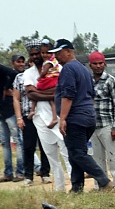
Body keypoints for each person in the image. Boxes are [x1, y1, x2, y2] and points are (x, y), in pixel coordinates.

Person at [50, 39, 112, 193]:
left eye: (59, 53)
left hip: (75, 117)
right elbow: (90, 93)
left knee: (77, 153)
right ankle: (77, 188)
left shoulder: (68, 69)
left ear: (69, 51)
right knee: (75, 152)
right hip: (88, 116)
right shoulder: (83, 69)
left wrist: (63, 118)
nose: (56, 56)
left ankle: (104, 181)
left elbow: (68, 95)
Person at [23, 40, 71, 192]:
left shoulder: (58, 67)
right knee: (50, 154)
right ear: (30, 56)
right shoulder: (28, 73)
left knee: (66, 151)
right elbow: (30, 93)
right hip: (40, 118)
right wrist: (50, 93)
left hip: (59, 116)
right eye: (33, 54)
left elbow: (60, 90)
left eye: (39, 53)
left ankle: (76, 185)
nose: (37, 56)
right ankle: (60, 187)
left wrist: (41, 93)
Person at [88, 51, 115, 192]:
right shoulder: (88, 81)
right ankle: (101, 185)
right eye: (95, 64)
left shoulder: (111, 81)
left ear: (105, 64)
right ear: (90, 65)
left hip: (107, 124)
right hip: (93, 126)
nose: (98, 66)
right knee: (96, 158)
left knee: (114, 156)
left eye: (100, 63)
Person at [12, 51, 51, 186]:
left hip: (44, 114)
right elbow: (16, 99)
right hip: (27, 116)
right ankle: (28, 176)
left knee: (45, 145)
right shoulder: (20, 77)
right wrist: (18, 118)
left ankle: (45, 174)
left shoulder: (47, 74)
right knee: (28, 147)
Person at [0, 56, 26, 182]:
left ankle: (20, 172)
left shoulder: (3, 69)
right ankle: (8, 172)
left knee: (17, 141)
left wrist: (7, 89)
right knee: (5, 143)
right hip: (1, 112)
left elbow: (14, 74)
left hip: (10, 110)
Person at [30, 40, 60, 128]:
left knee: (35, 91)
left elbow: (44, 72)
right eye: (43, 53)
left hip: (50, 80)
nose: (45, 55)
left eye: (47, 53)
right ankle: (54, 117)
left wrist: (40, 77)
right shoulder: (54, 60)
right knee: (51, 100)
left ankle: (32, 109)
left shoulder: (48, 62)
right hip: (53, 79)